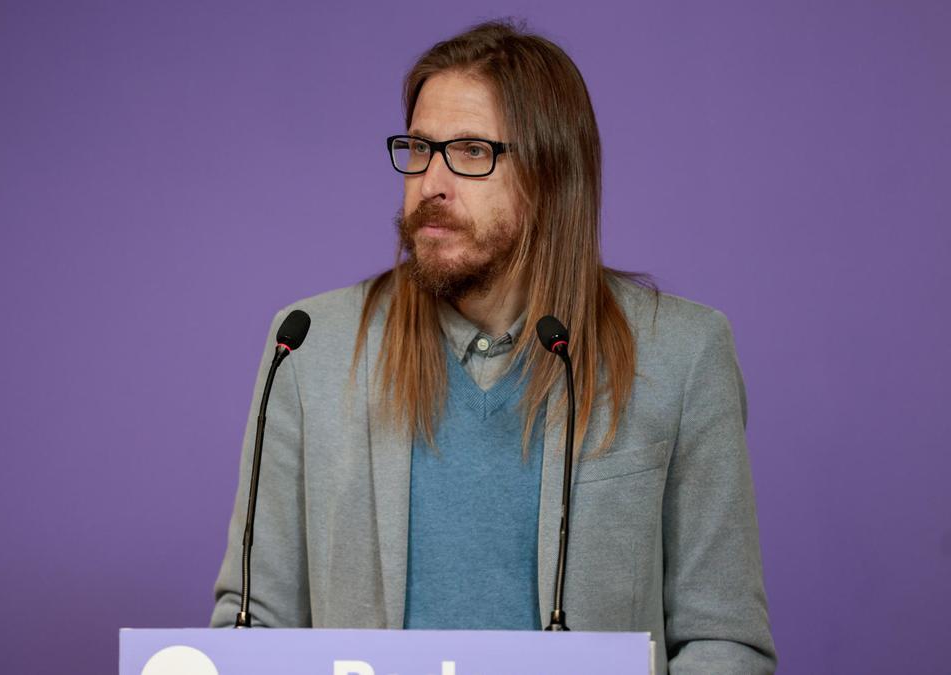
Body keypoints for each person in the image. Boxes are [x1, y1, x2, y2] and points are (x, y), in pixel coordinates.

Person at [209, 20, 776, 674]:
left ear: (550, 171)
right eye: (418, 149)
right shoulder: (306, 348)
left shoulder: (682, 355)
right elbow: (254, 624)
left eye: (472, 151)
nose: (431, 184)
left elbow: (723, 640)